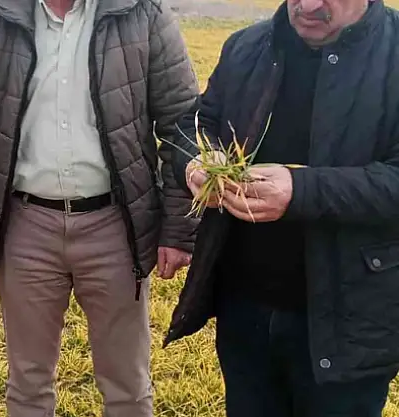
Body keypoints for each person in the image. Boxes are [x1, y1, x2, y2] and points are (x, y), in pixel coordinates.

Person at [0, 0, 199, 415]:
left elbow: (182, 127)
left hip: (116, 228)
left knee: (127, 384)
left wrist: (179, 230)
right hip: (25, 228)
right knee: (27, 383)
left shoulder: (143, 15)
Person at [162, 0, 399, 415]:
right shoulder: (247, 46)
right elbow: (195, 124)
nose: (308, 5)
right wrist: (198, 163)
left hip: (349, 322)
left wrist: (300, 190)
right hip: (244, 310)